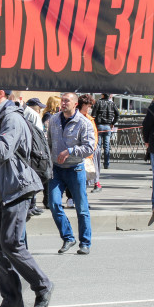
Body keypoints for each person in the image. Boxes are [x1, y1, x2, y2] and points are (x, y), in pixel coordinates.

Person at [0, 88, 52, 307]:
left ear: (0, 93)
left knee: (11, 243)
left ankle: (43, 285)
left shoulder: (12, 118)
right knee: (1, 250)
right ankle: (12, 301)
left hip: (17, 188)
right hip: (1, 190)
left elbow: (2, 151)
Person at [47, 92, 95, 255]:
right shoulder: (54, 120)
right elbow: (48, 143)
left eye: (67, 101)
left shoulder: (84, 123)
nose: (63, 103)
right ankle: (68, 237)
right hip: (56, 169)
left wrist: (70, 151)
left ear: (75, 104)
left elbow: (89, 147)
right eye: (62, 100)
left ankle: (85, 243)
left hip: (76, 169)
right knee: (53, 204)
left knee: (81, 208)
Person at [78, 94, 102, 193]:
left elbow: (95, 134)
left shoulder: (90, 119)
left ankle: (95, 184)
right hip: (79, 150)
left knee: (88, 174)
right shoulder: (76, 117)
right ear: (82, 105)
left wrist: (93, 147)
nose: (89, 108)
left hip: (90, 150)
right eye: (88, 106)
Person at [92, 93, 119, 170]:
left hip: (99, 125)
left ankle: (97, 163)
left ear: (102, 95)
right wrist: (112, 123)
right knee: (107, 146)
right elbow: (117, 115)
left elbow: (93, 115)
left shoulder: (98, 102)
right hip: (108, 126)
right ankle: (106, 164)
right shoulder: (112, 104)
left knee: (98, 146)